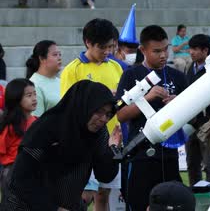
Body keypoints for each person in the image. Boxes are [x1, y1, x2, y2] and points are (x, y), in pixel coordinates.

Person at [0, 81, 121, 211]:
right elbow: (20, 181)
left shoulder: (97, 132)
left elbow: (105, 175)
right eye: (99, 111)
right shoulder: (47, 128)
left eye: (108, 114)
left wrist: (112, 150)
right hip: (26, 205)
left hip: (68, 204)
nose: (104, 119)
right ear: (84, 106)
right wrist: (54, 208)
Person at [116, 25, 187, 211]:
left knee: (173, 205)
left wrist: (178, 103)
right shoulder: (131, 75)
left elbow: (193, 115)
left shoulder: (178, 77)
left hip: (170, 155)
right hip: (140, 155)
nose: (163, 55)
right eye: (156, 51)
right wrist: (146, 98)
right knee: (139, 204)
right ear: (143, 50)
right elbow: (121, 115)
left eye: (166, 49)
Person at [60, 18, 123, 210]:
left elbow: (121, 103)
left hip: (112, 141)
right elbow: (68, 108)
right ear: (88, 42)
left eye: (111, 47)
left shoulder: (116, 67)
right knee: (83, 195)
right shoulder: (73, 70)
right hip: (85, 142)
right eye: (102, 47)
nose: (107, 52)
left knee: (104, 193)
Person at [185, 34, 210, 186]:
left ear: (205, 51)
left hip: (209, 123)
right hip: (191, 122)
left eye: (195, 49)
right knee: (192, 162)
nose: (191, 52)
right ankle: (194, 194)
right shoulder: (189, 67)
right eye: (190, 48)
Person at [0, 79, 37, 202]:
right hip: (13, 172)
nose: (34, 98)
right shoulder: (10, 126)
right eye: (28, 95)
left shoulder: (38, 122)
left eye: (35, 94)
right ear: (16, 99)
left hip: (35, 170)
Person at [25, 40, 61, 117]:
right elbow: (36, 121)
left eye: (60, 54)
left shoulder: (61, 81)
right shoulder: (34, 84)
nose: (59, 58)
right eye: (55, 55)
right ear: (42, 59)